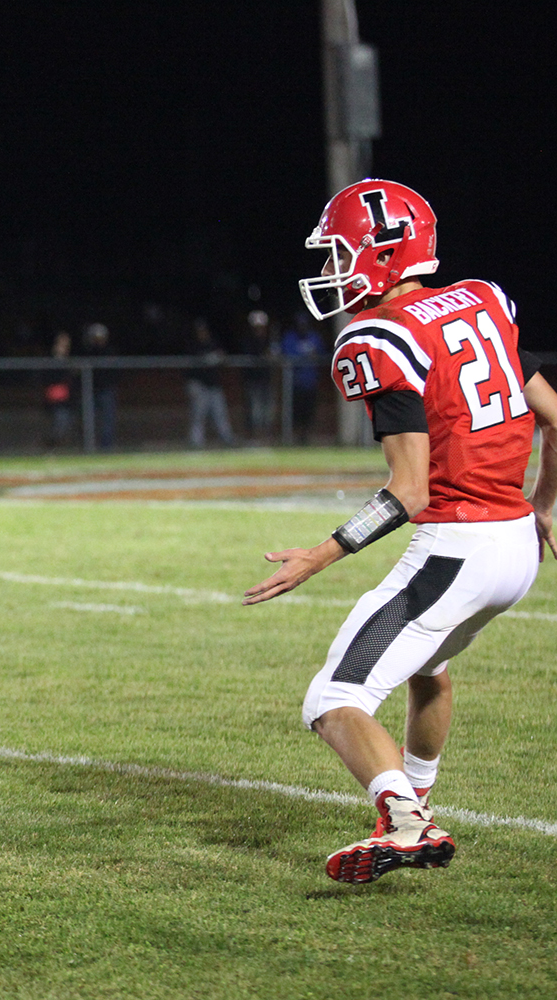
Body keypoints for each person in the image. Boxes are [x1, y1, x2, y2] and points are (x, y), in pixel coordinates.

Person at [244, 179, 557, 884]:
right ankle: (417, 798)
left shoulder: (380, 336)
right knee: (429, 670)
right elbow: (554, 416)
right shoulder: (481, 300)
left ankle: (407, 820)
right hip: (513, 546)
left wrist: (318, 556)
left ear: (381, 252)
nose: (332, 271)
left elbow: (409, 491)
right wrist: (542, 504)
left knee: (333, 700)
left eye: (340, 253)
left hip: (458, 545)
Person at [184, 317, 236, 448]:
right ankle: (196, 441)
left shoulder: (213, 342)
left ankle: (227, 438)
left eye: (204, 330)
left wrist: (219, 357)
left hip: (213, 384)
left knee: (220, 413)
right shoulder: (192, 344)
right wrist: (210, 358)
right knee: (198, 414)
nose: (202, 333)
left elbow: (222, 355)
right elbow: (194, 362)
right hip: (198, 384)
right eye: (199, 331)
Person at [280, 312, 324, 439]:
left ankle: (307, 435)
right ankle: (294, 436)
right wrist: (304, 357)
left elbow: (321, 354)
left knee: (309, 410)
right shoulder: (290, 338)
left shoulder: (314, 337)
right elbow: (287, 355)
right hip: (294, 381)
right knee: (295, 411)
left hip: (311, 380)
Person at [81, 321, 119, 449]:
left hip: (106, 390)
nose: (98, 340)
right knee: (89, 419)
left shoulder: (110, 351)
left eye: (100, 337)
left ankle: (106, 447)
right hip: (91, 389)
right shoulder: (89, 351)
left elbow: (114, 372)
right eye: (95, 337)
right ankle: (89, 446)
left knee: (108, 420)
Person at [242, 308, 278, 439]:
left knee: (268, 410)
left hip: (267, 379)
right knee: (255, 410)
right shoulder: (248, 341)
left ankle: (267, 436)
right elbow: (251, 356)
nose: (259, 330)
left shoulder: (269, 340)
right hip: (254, 380)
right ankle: (256, 436)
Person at [44, 330, 76, 447]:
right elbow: (50, 378)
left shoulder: (69, 360)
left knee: (67, 422)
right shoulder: (52, 360)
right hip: (56, 397)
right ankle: (51, 445)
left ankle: (57, 446)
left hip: (67, 398)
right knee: (60, 422)